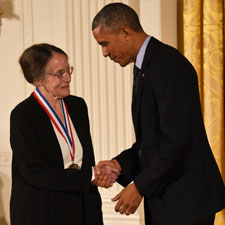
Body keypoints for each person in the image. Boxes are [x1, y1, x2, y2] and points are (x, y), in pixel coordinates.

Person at [92, 3, 225, 225]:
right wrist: (120, 164)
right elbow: (152, 142)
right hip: (170, 199)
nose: (104, 53)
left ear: (125, 32)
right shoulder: (148, 66)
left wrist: (140, 186)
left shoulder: (168, 65)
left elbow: (177, 141)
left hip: (186, 202)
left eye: (104, 44)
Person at [10, 43, 119, 225]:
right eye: (59, 73)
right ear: (38, 79)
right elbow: (33, 172)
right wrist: (90, 176)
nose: (68, 78)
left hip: (81, 208)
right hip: (42, 211)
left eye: (68, 69)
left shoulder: (77, 106)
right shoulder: (23, 115)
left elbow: (85, 160)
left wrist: (98, 174)